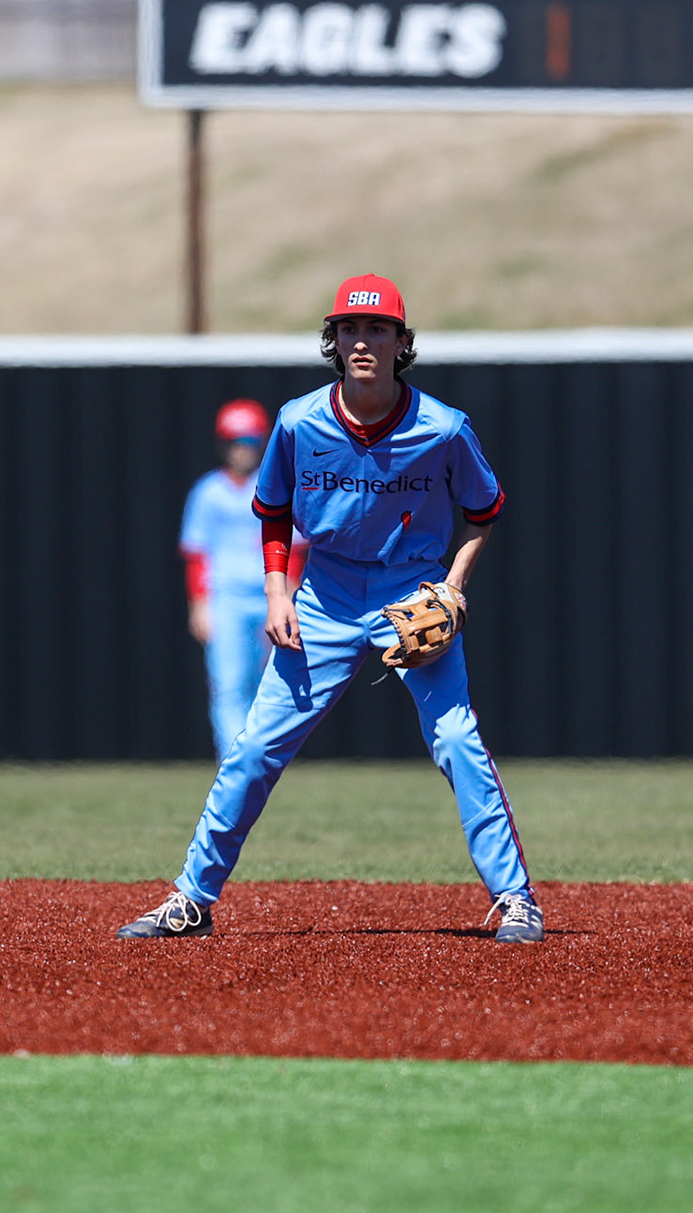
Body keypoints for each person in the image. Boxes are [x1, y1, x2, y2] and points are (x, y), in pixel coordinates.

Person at [118, 274, 542, 944]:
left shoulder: (443, 428)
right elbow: (275, 513)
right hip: (326, 593)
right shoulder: (298, 422)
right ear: (334, 340)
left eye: (378, 329)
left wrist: (455, 587)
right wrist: (278, 593)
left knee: (457, 740)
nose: (363, 341)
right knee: (254, 748)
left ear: (402, 342)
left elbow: (483, 513)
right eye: (350, 328)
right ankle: (193, 898)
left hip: (413, 587)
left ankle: (517, 900)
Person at [181, 400, 304, 761]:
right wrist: (200, 606)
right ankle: (234, 761)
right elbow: (197, 553)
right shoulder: (208, 492)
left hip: (271, 595)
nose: (242, 449)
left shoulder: (277, 487)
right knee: (229, 683)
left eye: (250, 441)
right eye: (236, 441)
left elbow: (294, 548)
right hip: (227, 597)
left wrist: (289, 596)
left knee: (270, 685)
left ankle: (265, 758)